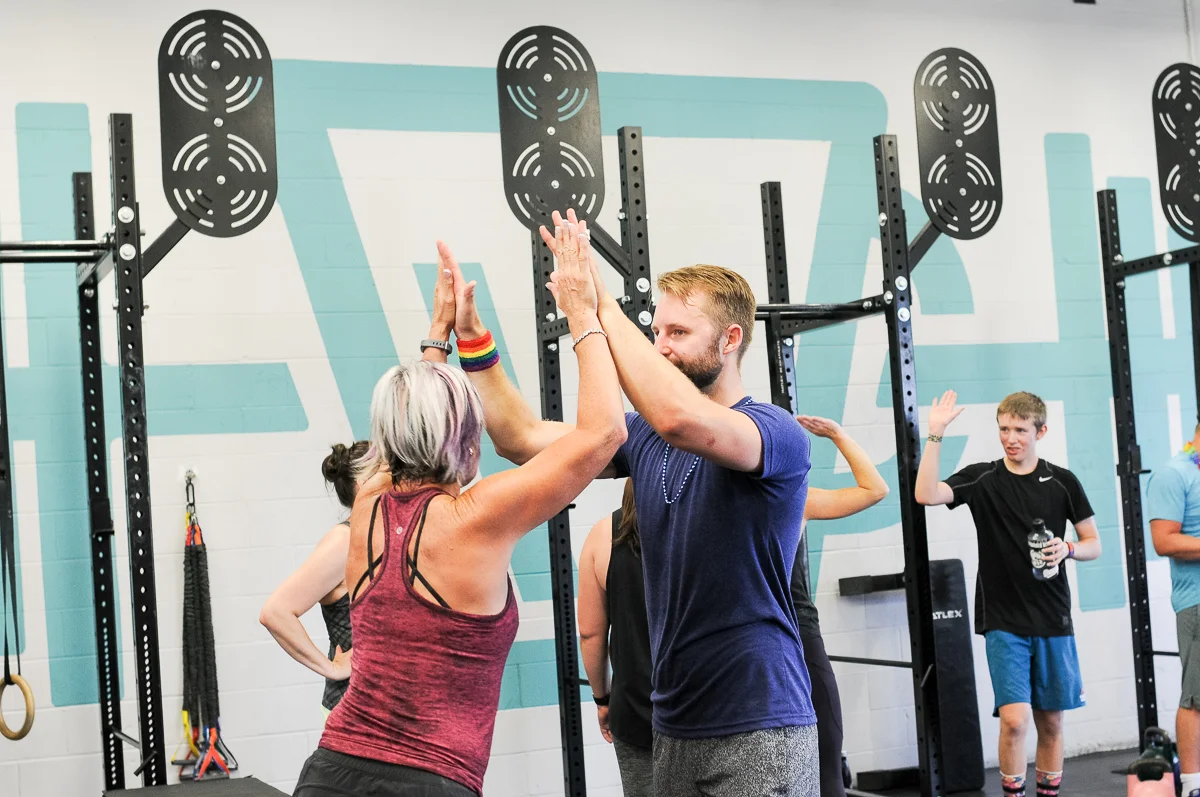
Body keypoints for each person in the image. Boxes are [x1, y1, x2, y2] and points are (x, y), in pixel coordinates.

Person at [467, 208, 819, 796]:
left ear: (731, 339)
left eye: (677, 333)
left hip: (758, 722)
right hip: (673, 722)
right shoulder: (647, 438)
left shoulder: (774, 431)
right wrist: (475, 342)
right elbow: (520, 439)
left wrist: (594, 307)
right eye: (656, 332)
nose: (660, 347)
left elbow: (680, 417)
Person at [292, 226, 626, 797]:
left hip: (329, 771)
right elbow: (605, 434)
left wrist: (441, 334)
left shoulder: (370, 499)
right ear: (465, 438)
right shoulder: (478, 515)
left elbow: (409, 423)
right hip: (428, 783)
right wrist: (582, 312)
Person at [578, 417, 887, 797]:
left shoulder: (605, 535)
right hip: (718, 704)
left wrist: (603, 698)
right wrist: (839, 435)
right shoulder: (715, 512)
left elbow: (590, 633)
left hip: (653, 706)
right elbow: (873, 489)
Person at [915, 390, 1102, 797]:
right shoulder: (983, 478)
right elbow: (925, 494)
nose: (1010, 438)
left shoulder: (1063, 482)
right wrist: (935, 434)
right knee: (1015, 721)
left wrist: (1068, 549)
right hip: (1003, 619)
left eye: (1020, 430)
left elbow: (1093, 544)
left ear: (1040, 432)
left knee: (1051, 722)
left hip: (1053, 617)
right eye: (1004, 429)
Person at [260, 441, 368, 717]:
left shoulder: (383, 539)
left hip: (383, 711)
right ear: (363, 484)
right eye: (390, 474)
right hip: (349, 711)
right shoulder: (343, 542)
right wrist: (331, 668)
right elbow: (275, 613)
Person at [1147, 423, 1200, 797]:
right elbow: (1164, 541)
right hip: (1198, 603)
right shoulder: (1174, 474)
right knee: (1197, 699)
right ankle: (1193, 784)